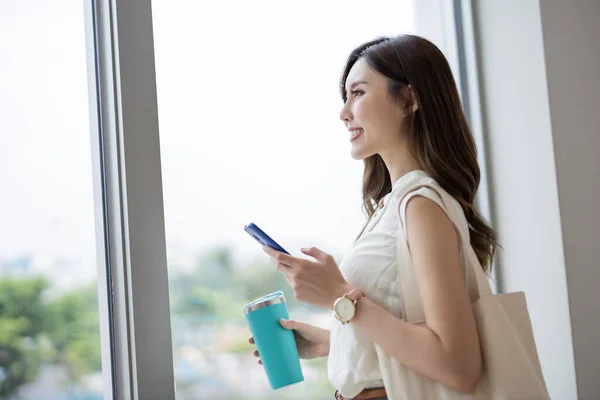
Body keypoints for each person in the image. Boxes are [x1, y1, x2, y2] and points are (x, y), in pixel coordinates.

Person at [249, 34, 497, 400]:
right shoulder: (394, 205)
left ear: (409, 98)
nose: (344, 111)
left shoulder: (420, 206)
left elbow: (458, 368)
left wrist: (339, 296)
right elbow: (409, 328)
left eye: (358, 93)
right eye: (345, 96)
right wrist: (334, 342)